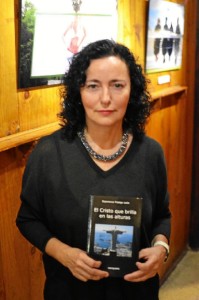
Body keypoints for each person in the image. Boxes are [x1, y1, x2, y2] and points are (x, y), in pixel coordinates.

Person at [16, 39, 171, 300]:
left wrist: (161, 248)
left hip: (137, 292)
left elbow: (162, 217)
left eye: (117, 85)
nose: (106, 98)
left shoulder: (151, 153)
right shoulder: (48, 153)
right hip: (69, 291)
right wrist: (63, 254)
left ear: (132, 90)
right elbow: (28, 219)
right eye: (93, 86)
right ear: (79, 91)